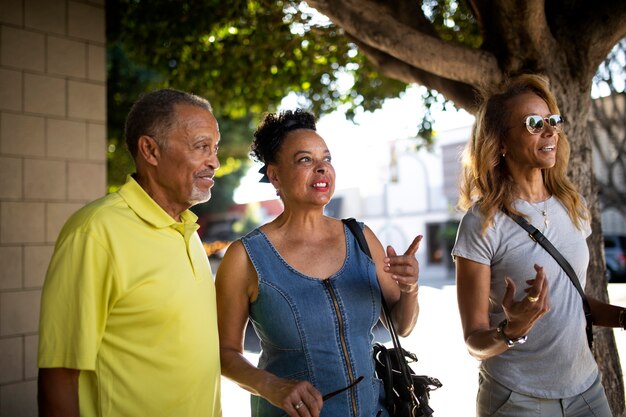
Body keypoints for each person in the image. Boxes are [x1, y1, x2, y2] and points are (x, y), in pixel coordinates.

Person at [216, 109, 422, 417]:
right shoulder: (245, 257)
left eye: (326, 159)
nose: (322, 168)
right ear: (275, 175)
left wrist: (410, 288)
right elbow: (223, 353)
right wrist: (270, 386)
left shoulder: (362, 238)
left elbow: (402, 326)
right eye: (305, 160)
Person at [38, 89, 222, 417]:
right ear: (150, 150)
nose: (215, 162)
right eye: (201, 147)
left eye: (215, 148)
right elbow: (59, 375)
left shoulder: (189, 231)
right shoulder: (94, 232)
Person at [452, 74, 624, 417]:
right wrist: (512, 329)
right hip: (516, 399)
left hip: (586, 390)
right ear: (500, 141)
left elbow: (573, 304)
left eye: (552, 121)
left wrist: (622, 317)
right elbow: (474, 340)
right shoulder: (482, 222)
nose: (550, 131)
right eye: (534, 124)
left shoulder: (572, 205)